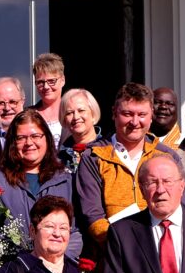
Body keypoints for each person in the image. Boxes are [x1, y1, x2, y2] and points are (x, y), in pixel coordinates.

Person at [75, 82, 175, 255]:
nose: (135, 122)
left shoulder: (166, 157)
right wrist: (127, 247)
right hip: (112, 257)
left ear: (151, 115)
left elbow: (177, 209)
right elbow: (92, 216)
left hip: (160, 254)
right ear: (114, 113)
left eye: (142, 114)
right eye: (127, 114)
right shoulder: (93, 157)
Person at [0, 110, 82, 259]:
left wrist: (58, 262)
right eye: (21, 138)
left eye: (35, 136)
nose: (29, 143)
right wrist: (18, 259)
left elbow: (76, 230)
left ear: (47, 139)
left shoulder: (66, 180)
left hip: (57, 272)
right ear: (12, 143)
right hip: (13, 270)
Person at [56, 88, 104, 173]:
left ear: (93, 113)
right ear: (64, 120)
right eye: (69, 113)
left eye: (81, 110)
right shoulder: (60, 158)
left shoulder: (108, 150)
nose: (76, 117)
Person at [30, 53, 65, 139]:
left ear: (63, 80)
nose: (46, 87)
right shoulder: (28, 115)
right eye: (40, 82)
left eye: (51, 81)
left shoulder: (74, 113)